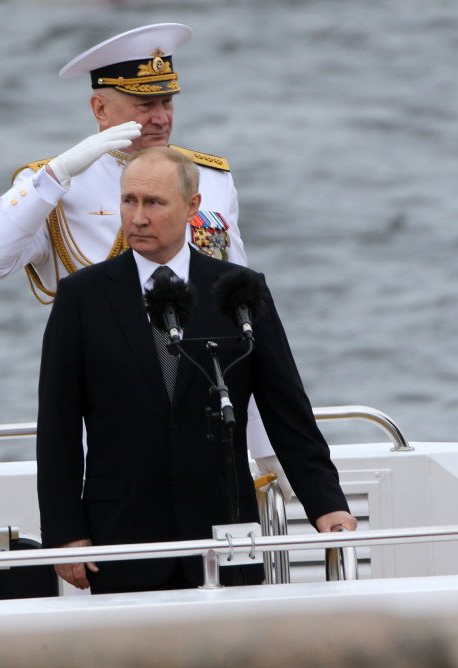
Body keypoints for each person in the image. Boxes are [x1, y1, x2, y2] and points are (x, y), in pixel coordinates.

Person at [0, 22, 289, 491]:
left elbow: (240, 316)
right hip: (111, 406)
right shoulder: (56, 185)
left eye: (167, 102)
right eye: (144, 104)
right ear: (100, 108)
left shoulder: (209, 179)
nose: (161, 118)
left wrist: (267, 449)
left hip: (204, 395)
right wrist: (55, 176)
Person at [36, 147, 356, 593]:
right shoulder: (82, 298)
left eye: (154, 203)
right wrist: (64, 532)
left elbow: (287, 410)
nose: (138, 217)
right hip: (124, 533)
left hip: (224, 524)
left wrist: (327, 504)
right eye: (129, 201)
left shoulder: (240, 290)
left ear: (192, 207)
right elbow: (58, 426)